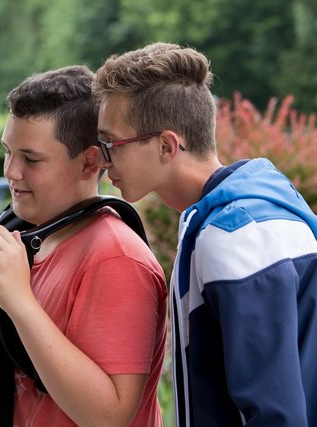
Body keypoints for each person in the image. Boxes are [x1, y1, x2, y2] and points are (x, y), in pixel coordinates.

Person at [0, 65, 167, 426]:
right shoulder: (19, 231)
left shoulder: (116, 258)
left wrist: (20, 302)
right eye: (8, 152)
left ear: (89, 162)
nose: (11, 171)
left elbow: (110, 417)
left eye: (31, 159)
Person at [93, 42, 317, 426]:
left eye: (110, 144)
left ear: (167, 145)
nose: (101, 158)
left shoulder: (233, 235)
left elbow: (274, 413)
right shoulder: (238, 213)